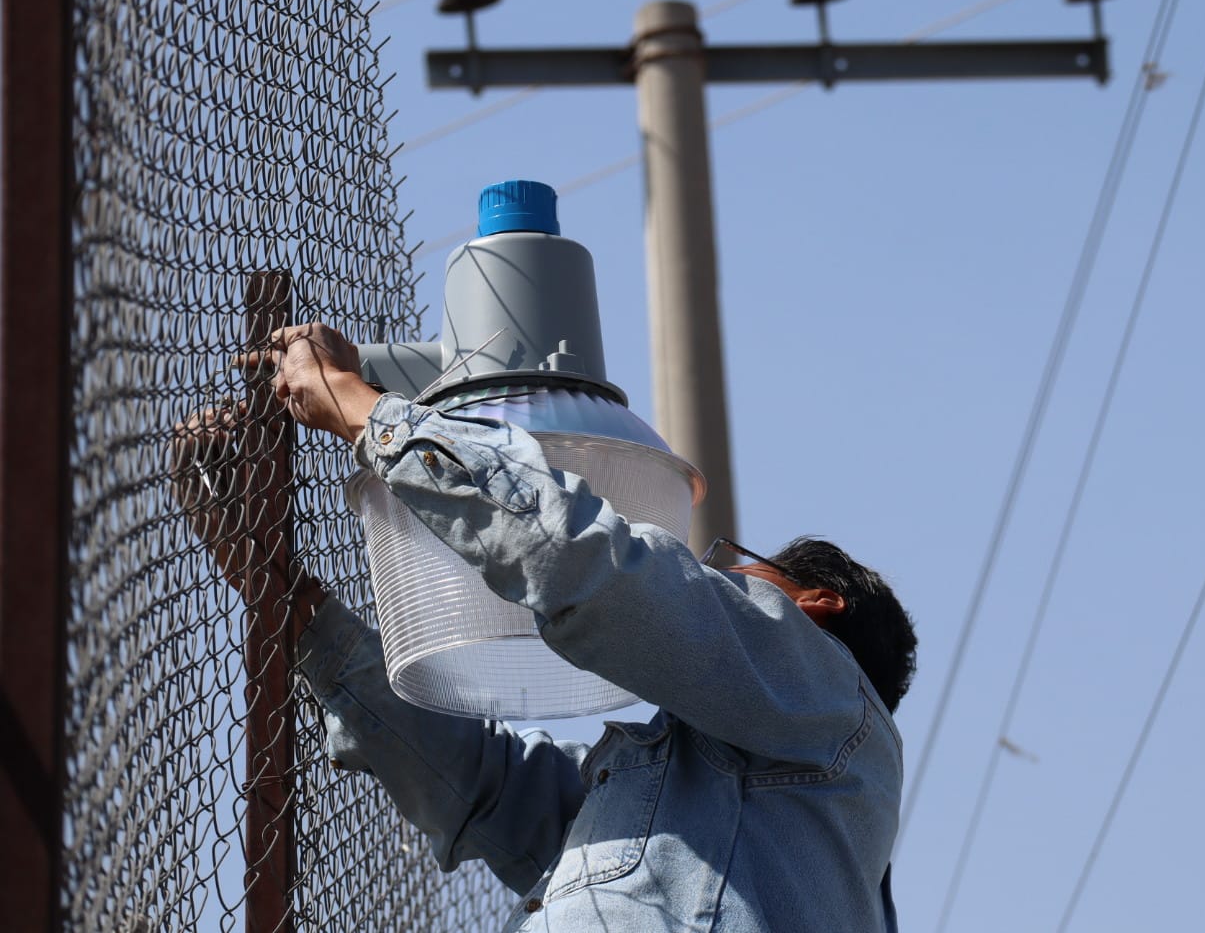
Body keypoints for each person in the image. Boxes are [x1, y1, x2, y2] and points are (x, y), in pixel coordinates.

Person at [172, 322, 919, 931]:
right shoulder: (711, 801)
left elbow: (597, 571)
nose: (714, 577)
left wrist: (367, 411)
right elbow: (482, 781)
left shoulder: (827, 696)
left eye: (736, 568)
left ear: (817, 606)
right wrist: (274, 585)